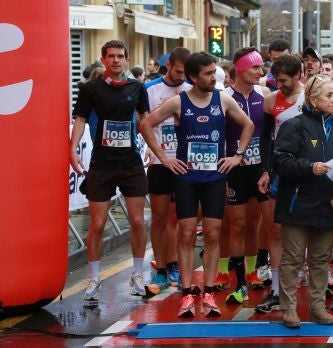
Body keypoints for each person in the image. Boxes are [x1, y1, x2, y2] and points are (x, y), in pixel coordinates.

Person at [139, 52, 254, 319]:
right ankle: (188, 292)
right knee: (187, 233)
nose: (214, 78)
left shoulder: (222, 100)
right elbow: (146, 125)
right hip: (187, 178)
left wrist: (237, 155)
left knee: (213, 233)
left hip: (215, 177)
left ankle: (210, 290)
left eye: (214, 72)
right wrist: (164, 158)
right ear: (193, 77)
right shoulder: (178, 102)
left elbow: (247, 125)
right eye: (208, 74)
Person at [71, 40, 152, 304]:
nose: (116, 60)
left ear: (126, 60)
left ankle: (137, 274)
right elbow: (81, 120)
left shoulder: (137, 88)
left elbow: (144, 121)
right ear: (103, 59)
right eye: (111, 56)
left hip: (130, 163)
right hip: (102, 165)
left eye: (120, 56)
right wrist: (72, 150)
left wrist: (153, 147)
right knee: (97, 223)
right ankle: (94, 278)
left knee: (138, 221)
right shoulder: (89, 89)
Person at [272, 75, 333, 327]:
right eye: (329, 95)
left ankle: (317, 306)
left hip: (325, 202)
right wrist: (310, 167)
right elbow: (281, 160)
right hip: (297, 201)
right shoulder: (294, 125)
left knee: (320, 258)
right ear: (313, 99)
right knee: (293, 256)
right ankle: (289, 308)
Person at [255, 54, 304, 313]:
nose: (280, 85)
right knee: (275, 230)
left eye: (284, 80)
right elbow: (266, 139)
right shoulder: (271, 100)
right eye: (276, 80)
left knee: (301, 230)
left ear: (298, 75)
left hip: (305, 172)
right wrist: (265, 170)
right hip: (278, 172)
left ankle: (298, 282)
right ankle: (276, 289)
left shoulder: (311, 98)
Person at [222, 48, 271, 305]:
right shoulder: (224, 97)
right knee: (237, 225)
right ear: (240, 69)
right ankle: (238, 281)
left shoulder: (263, 95)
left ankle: (252, 272)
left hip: (259, 169)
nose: (260, 72)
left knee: (256, 224)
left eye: (261, 67)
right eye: (255, 67)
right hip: (235, 170)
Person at [143, 47, 192, 289]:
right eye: (179, 72)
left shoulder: (191, 90)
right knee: (159, 217)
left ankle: (172, 264)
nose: (182, 77)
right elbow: (143, 124)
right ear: (169, 66)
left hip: (184, 162)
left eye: (186, 73)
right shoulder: (149, 90)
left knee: (176, 217)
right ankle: (160, 267)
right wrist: (159, 156)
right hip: (159, 161)